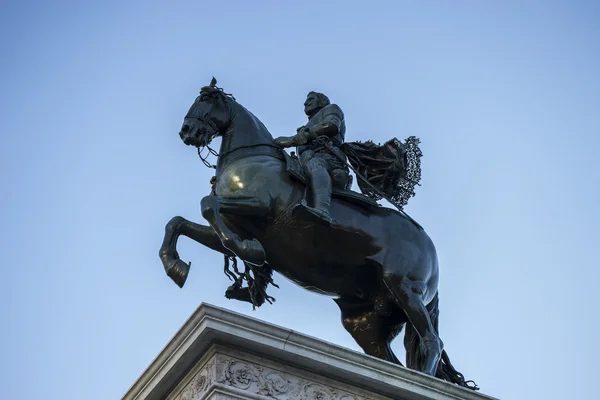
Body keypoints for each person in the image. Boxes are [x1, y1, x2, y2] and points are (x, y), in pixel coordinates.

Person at [275, 91, 348, 225]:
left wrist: (295, 139)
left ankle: (322, 209)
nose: (305, 103)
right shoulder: (306, 126)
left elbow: (332, 125)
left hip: (328, 157)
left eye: (311, 99)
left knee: (316, 165)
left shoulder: (331, 109)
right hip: (305, 160)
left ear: (321, 101)